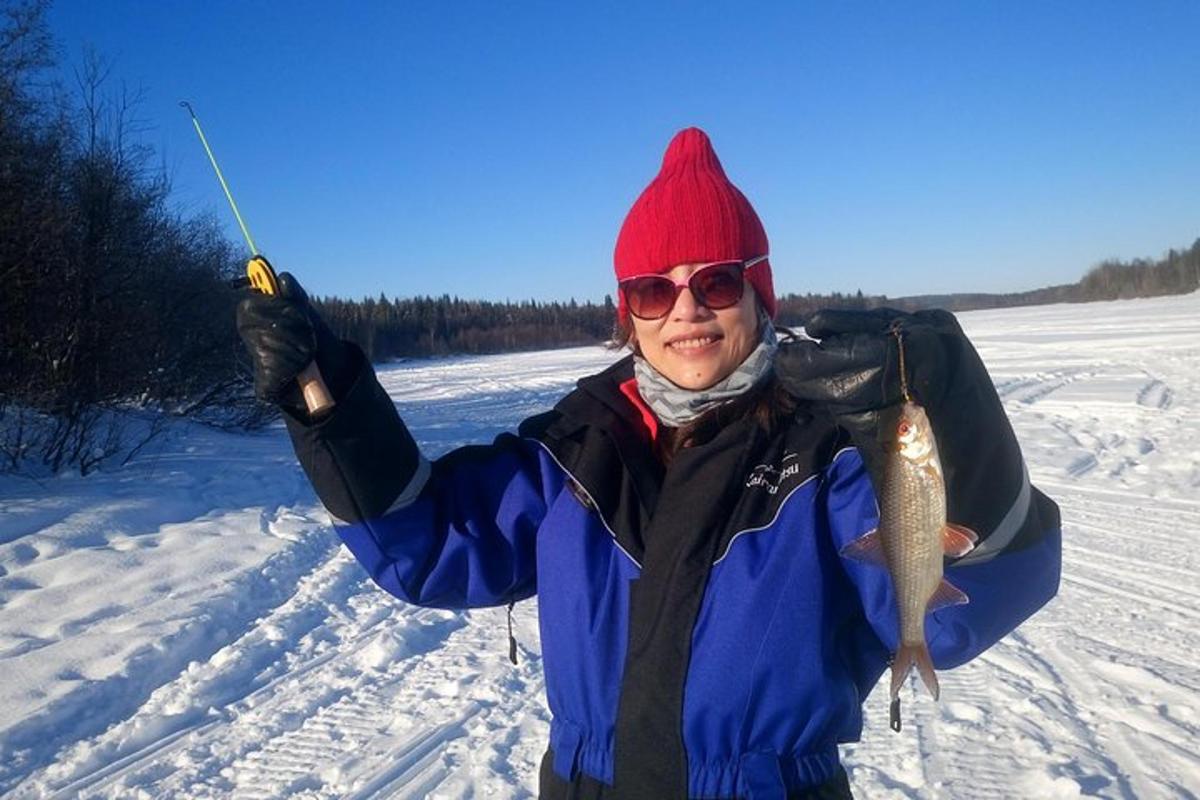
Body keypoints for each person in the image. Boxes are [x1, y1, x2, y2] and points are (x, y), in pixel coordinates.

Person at [236, 128, 1061, 800]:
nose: (688, 311)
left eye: (717, 281)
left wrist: (954, 410)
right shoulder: (574, 449)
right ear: (626, 313)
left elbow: (950, 617)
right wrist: (329, 397)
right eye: (653, 291)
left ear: (760, 294)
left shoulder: (830, 451)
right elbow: (425, 545)